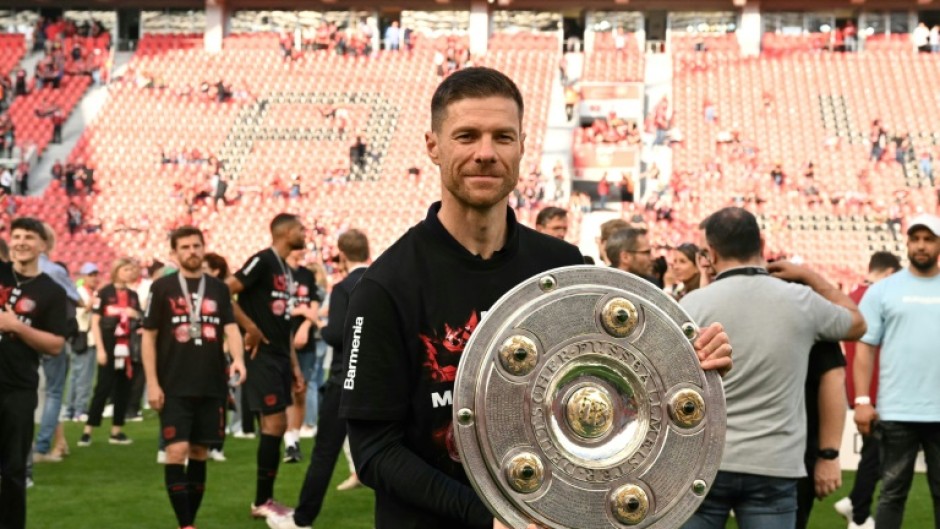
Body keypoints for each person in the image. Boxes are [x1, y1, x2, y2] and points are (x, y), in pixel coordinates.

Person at [336, 67, 732, 529]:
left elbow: (620, 388)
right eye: (466, 136)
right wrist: (491, 519)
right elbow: (374, 452)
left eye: (502, 137)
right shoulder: (387, 285)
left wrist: (691, 362)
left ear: (522, 146)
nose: (485, 153)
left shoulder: (566, 269)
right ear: (433, 145)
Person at [679, 207, 866, 529]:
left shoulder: (693, 304)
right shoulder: (801, 300)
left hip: (707, 460)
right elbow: (857, 323)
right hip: (774, 462)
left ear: (710, 252)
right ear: (762, 242)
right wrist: (812, 278)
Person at [142, 226, 245, 529]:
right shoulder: (161, 288)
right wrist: (152, 382)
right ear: (173, 253)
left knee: (200, 451)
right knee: (176, 451)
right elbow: (148, 337)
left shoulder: (218, 288)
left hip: (211, 383)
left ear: (203, 248)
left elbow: (230, 328)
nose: (192, 251)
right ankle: (186, 524)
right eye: (184, 247)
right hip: (173, 383)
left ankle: (189, 522)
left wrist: (238, 358)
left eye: (196, 246)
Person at [268, 229, 371, 529]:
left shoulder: (343, 288)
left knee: (324, 453)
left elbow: (337, 334)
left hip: (344, 381)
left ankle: (302, 519)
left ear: (340, 255)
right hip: (377, 381)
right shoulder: (383, 282)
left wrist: (315, 322)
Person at [853, 213, 940, 529]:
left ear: (938, 244)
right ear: (907, 243)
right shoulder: (883, 290)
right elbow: (865, 347)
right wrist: (862, 399)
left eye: (928, 239)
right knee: (891, 494)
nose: (921, 245)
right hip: (897, 412)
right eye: (915, 239)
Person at [225, 213, 307, 519]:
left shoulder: (286, 270)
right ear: (285, 233)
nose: (305, 234)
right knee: (274, 424)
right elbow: (224, 291)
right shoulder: (262, 260)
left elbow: (284, 325)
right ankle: (262, 501)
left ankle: (264, 499)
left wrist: (296, 367)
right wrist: (250, 328)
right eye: (300, 230)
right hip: (262, 358)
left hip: (281, 358)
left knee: (278, 425)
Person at [0, 217, 67, 529]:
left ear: (43, 244)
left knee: (13, 470)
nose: (21, 242)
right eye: (16, 236)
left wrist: (16, 327)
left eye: (29, 236)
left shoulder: (51, 292)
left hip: (17, 388)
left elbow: (55, 344)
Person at [834, 251, 901, 529]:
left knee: (873, 452)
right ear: (888, 274)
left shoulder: (850, 296)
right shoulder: (881, 299)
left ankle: (854, 504)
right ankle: (859, 514)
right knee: (877, 455)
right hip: (877, 389)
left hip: (856, 387)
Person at [79, 257, 143, 446]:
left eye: (132, 270)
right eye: (126, 269)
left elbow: (140, 317)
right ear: (117, 271)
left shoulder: (133, 295)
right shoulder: (104, 293)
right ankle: (88, 430)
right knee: (103, 387)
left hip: (127, 347)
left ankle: (116, 430)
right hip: (108, 345)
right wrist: (100, 348)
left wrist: (136, 314)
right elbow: (96, 322)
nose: (130, 273)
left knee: (124, 388)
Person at [283, 248, 321, 464]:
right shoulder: (279, 272)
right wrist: (300, 310)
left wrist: (305, 325)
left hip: (304, 342)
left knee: (301, 388)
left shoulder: (306, 274)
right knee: (286, 390)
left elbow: (313, 308)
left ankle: (293, 439)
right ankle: (288, 438)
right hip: (281, 341)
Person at [64, 262, 100, 423]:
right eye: (90, 275)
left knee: (76, 375)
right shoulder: (80, 293)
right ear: (83, 276)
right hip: (83, 336)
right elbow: (78, 314)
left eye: (95, 274)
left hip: (84, 336)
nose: (93, 278)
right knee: (83, 376)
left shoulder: (89, 292)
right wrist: (89, 306)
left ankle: (71, 409)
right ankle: (79, 409)